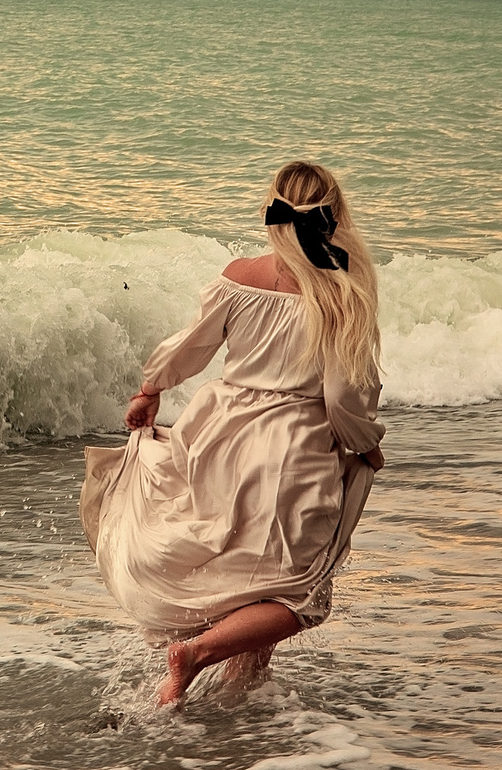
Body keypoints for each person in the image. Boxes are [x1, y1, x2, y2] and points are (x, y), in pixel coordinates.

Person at [80, 160, 386, 706]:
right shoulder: (343, 287)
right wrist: (364, 441)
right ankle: (194, 655)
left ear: (273, 212)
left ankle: (234, 708)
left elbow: (191, 346)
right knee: (299, 594)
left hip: (217, 436)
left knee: (248, 582)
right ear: (335, 214)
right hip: (293, 448)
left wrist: (151, 387)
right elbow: (343, 395)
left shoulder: (239, 276)